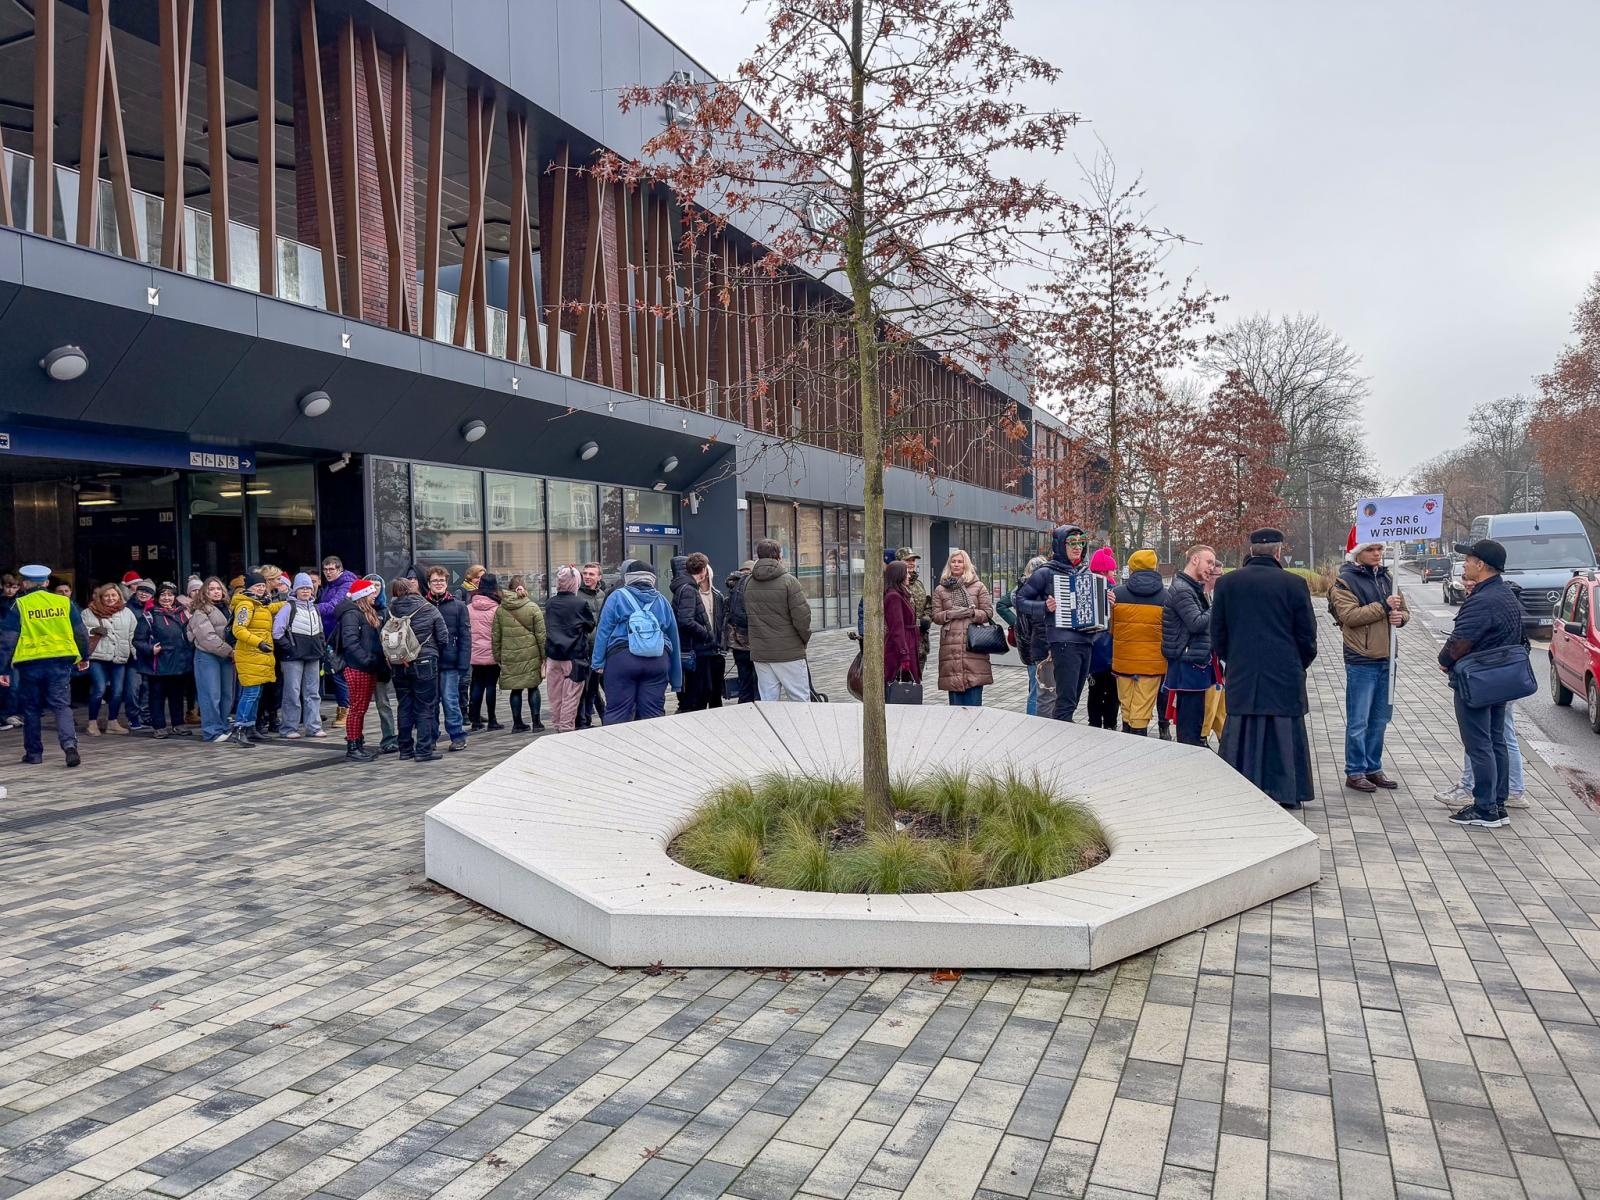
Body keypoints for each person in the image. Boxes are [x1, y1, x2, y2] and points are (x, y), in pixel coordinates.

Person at [1212, 529, 1318, 809]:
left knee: (1242, 729)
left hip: (1243, 670)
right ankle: (1284, 789)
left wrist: (1234, 659)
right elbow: (1307, 635)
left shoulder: (1227, 583)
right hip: (1284, 671)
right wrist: (1297, 663)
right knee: (1282, 730)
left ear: (1252, 550)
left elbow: (1218, 634)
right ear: (1278, 551)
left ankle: (1241, 787)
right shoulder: (1294, 584)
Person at [1437, 539, 1527, 828]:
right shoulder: (1506, 594)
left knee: (1479, 744)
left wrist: (1444, 660)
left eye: (1468, 559)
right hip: (1500, 680)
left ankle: (1485, 807)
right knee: (1496, 740)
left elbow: (1461, 640)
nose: (1464, 564)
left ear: (1481, 564)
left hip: (1477, 682)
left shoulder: (1482, 600)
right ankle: (1498, 804)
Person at [1329, 541, 1410, 792]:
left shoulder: (1387, 577)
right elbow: (1350, 616)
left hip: (1387, 658)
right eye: (1370, 550)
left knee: (1380, 719)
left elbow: (1404, 610)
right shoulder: (1345, 582)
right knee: (1359, 720)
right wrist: (1384, 606)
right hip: (1362, 659)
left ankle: (1373, 767)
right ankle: (1355, 771)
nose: (1377, 554)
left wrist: (1401, 617)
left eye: (1379, 550)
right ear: (1358, 553)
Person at [0, 564, 90, 766]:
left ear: (24, 584)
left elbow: (7, 640)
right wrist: (84, 656)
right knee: (61, 706)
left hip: (30, 664)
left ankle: (34, 754)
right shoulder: (64, 602)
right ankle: (69, 746)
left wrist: (3, 669)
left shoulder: (19, 605)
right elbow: (81, 632)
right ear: (47, 582)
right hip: (60, 661)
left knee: (31, 708)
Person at [1016, 524, 1102, 721]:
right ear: (1060, 545)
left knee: (1074, 699)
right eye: (1071, 542)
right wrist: (1044, 607)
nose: (1077, 547)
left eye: (1081, 542)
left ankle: (1061, 731)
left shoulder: (1086, 572)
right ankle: (1059, 734)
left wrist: (1106, 601)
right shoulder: (1045, 572)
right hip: (1062, 642)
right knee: (1065, 700)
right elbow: (1020, 600)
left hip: (1086, 641)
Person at [590, 558, 682, 723]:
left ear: (628, 577)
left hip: (622, 659)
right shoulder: (662, 600)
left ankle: (618, 740)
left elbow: (603, 631)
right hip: (657, 661)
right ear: (652, 579)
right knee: (653, 714)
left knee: (618, 712)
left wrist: (598, 662)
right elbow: (674, 638)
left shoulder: (617, 597)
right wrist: (676, 679)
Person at [387, 576, 450, 761]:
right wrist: (434, 651)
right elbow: (443, 637)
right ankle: (423, 749)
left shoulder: (390, 610)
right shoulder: (427, 607)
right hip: (425, 661)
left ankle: (405, 749)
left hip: (399, 662)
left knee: (404, 706)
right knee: (425, 706)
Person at [1162, 545, 1219, 746]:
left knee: (1193, 720)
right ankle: (1189, 758)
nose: (1212, 567)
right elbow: (1196, 623)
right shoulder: (1182, 589)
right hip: (1188, 664)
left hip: (1193, 663)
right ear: (1195, 560)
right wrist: (1217, 605)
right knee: (1189, 725)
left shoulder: (1190, 587)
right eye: (1209, 562)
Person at [744, 539, 811, 701]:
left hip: (761, 652)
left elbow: (748, 615)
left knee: (768, 701)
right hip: (789, 651)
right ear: (779, 556)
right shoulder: (789, 581)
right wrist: (804, 639)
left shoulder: (748, 583)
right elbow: (802, 618)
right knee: (800, 700)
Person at [1110, 549, 1166, 736]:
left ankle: (1127, 734)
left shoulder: (1116, 594)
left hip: (1123, 661)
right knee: (1142, 707)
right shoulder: (1166, 596)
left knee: (1126, 704)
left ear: (1131, 568)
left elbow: (1110, 630)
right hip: (1152, 664)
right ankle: (1140, 736)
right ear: (1155, 567)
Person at [932, 548, 994, 707]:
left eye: (960, 561)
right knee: (955, 701)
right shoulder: (940, 589)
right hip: (950, 647)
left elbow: (988, 613)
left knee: (974, 700)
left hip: (973, 643)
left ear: (966, 564)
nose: (956, 564)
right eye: (953, 561)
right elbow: (936, 616)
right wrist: (950, 614)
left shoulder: (978, 586)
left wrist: (971, 612)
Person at [131, 582, 193, 739]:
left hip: (179, 661)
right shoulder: (149, 615)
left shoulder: (182, 613)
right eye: (163, 595)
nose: (167, 598)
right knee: (157, 696)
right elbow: (138, 640)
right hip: (158, 663)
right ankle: (159, 726)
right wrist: (150, 649)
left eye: (170, 595)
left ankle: (178, 724)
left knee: (177, 695)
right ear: (157, 597)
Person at [334, 578, 386, 762]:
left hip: (366, 667)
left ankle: (358, 743)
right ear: (362, 596)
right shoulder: (352, 614)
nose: (374, 595)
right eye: (371, 593)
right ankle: (353, 746)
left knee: (361, 708)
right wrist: (367, 660)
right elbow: (351, 642)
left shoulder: (365, 612)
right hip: (358, 667)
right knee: (357, 709)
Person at [228, 573, 281, 746]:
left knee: (256, 694)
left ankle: (250, 727)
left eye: (262, 585)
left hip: (259, 655)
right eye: (256, 586)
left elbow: (272, 608)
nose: (260, 588)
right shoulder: (245, 604)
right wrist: (259, 643)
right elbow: (238, 630)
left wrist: (292, 601)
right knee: (250, 694)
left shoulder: (261, 604)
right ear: (248, 587)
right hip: (250, 654)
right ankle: (239, 729)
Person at [273, 573, 328, 739]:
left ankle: (314, 727)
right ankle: (289, 728)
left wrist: (321, 647)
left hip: (313, 655)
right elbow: (277, 632)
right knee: (292, 693)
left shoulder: (315, 608)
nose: (305, 591)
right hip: (293, 657)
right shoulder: (288, 607)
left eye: (308, 588)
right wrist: (290, 648)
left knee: (313, 693)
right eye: (302, 588)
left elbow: (320, 631)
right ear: (295, 590)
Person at [544, 566, 596, 732]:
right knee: (571, 696)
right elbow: (590, 625)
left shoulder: (550, 603)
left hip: (553, 655)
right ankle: (566, 728)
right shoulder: (580, 603)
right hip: (574, 656)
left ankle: (557, 725)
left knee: (555, 695)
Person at [425, 567, 471, 751]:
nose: (438, 584)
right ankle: (431, 737)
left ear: (446, 582)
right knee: (431, 703)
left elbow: (465, 636)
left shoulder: (458, 606)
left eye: (442, 580)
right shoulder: (423, 605)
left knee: (450, 700)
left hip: (450, 662)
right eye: (435, 581)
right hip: (428, 662)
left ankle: (457, 735)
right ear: (428, 583)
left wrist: (464, 663)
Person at [187, 577, 237, 744]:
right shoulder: (200, 611)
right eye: (211, 589)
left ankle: (223, 726)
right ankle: (211, 731)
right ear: (205, 593)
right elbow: (207, 637)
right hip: (207, 656)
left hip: (227, 656)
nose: (216, 592)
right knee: (210, 694)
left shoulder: (228, 608)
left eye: (218, 588)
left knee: (226, 694)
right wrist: (230, 651)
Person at [83, 582, 137, 736]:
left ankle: (112, 722)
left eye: (114, 595)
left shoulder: (127, 612)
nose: (110, 598)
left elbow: (133, 635)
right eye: (106, 595)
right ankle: (92, 722)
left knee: (117, 691)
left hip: (119, 656)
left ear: (119, 596)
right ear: (100, 597)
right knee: (99, 689)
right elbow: (81, 631)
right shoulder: (88, 612)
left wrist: (135, 654)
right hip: (97, 656)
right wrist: (94, 630)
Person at [673, 552, 725, 713]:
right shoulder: (688, 589)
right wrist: (706, 633)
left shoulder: (686, 587)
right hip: (695, 649)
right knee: (698, 693)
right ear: (703, 571)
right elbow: (686, 620)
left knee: (703, 691)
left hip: (699, 649)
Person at [494, 574, 546, 732]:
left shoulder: (500, 610)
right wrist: (544, 656)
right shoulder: (533, 607)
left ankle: (517, 724)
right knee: (533, 687)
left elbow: (496, 636)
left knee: (516, 689)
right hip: (531, 654)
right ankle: (537, 723)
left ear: (509, 588)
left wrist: (498, 656)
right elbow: (541, 635)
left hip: (509, 655)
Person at [317, 556, 357, 727]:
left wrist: (310, 608)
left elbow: (334, 606)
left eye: (331, 569)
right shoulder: (330, 585)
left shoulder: (346, 584)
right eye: (325, 569)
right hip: (328, 635)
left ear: (340, 569)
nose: (328, 573)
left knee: (339, 672)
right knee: (333, 672)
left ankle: (345, 711)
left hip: (340, 636)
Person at [1086, 549, 1121, 729]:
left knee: (1094, 691)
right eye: (1112, 570)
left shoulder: (1085, 588)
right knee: (1112, 693)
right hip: (1110, 651)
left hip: (1092, 651)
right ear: (1104, 571)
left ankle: (1093, 723)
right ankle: (1110, 725)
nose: (1114, 573)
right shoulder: (1114, 591)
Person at [467, 572, 503, 730]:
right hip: (492, 653)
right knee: (490, 686)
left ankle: (475, 721)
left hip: (474, 654)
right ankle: (492, 720)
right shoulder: (497, 609)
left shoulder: (469, 608)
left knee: (476, 685)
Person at [577, 563, 608, 726]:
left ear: (599, 577)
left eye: (591, 574)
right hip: (585, 648)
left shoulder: (602, 595)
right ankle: (591, 717)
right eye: (585, 573)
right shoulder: (577, 595)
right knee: (589, 686)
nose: (587, 577)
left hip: (601, 647)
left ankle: (605, 715)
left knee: (603, 683)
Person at [723, 561, 758, 704]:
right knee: (758, 683)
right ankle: (756, 709)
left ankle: (744, 707)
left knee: (744, 681)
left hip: (737, 644)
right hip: (752, 642)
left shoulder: (733, 586)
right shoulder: (751, 585)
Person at [883, 560, 921, 690]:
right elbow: (896, 628)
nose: (909, 576)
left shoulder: (901, 594)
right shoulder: (893, 596)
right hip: (900, 648)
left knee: (909, 686)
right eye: (906, 573)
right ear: (899, 575)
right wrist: (904, 654)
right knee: (901, 688)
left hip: (908, 643)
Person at [899, 549, 933, 678]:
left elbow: (928, 605)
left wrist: (927, 618)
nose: (911, 563)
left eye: (913, 560)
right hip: (903, 642)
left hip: (920, 643)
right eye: (907, 560)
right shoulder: (894, 585)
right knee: (901, 682)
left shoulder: (919, 584)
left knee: (916, 680)